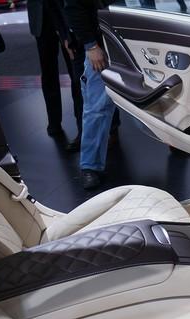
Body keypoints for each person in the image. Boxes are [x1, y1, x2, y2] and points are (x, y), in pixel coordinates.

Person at [64, 0, 118, 190]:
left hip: (136, 39)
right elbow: (74, 7)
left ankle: (176, 142)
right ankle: (90, 167)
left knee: (159, 95)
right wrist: (91, 45)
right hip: (102, 44)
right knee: (97, 107)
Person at [27, 0, 83, 148]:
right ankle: (53, 122)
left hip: (65, 13)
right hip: (41, 15)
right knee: (48, 72)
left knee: (76, 72)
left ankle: (82, 127)